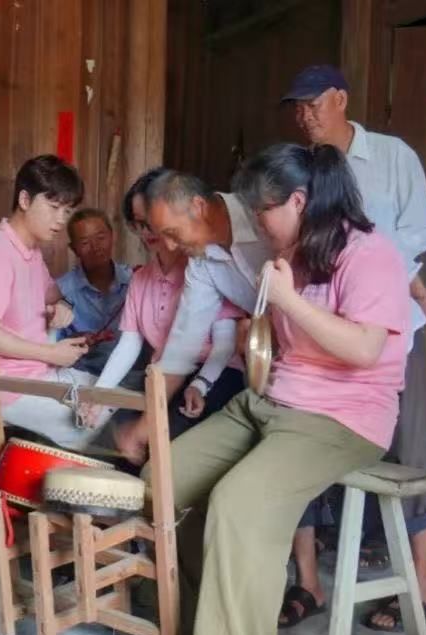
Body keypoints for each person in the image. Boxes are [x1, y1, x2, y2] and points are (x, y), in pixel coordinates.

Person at [167, 143, 410, 635]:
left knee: (240, 501)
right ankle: (209, 628)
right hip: (273, 401)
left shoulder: (369, 254)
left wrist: (286, 300)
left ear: (299, 201)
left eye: (263, 212)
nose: (257, 224)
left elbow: (364, 348)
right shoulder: (291, 253)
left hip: (343, 416)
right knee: (166, 480)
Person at [278, 64, 426, 632]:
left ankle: (421, 583)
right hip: (324, 332)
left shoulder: (393, 157)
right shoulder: (301, 168)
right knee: (302, 430)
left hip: (392, 327)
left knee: (411, 446)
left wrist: (365, 258)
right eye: (297, 108)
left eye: (313, 104)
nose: (304, 116)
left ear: (341, 99)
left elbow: (421, 231)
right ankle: (309, 580)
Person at [111, 169, 274, 461]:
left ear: (198, 207)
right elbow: (182, 347)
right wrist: (141, 431)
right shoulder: (199, 263)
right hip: (270, 369)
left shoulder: (264, 216)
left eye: (172, 233)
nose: (170, 246)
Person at [0, 154, 108, 451]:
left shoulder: (31, 253)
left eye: (67, 210)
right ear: (25, 200)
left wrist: (63, 307)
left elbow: (52, 296)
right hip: (5, 387)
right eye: (53, 207)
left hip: (39, 376)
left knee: (113, 394)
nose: (61, 220)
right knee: (103, 420)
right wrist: (51, 352)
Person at [87, 170, 245, 440]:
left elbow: (224, 344)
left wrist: (200, 384)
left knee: (162, 437)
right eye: (138, 224)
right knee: (113, 431)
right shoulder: (140, 279)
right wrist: (99, 394)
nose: (146, 231)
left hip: (212, 374)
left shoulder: (205, 266)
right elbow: (129, 344)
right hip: (163, 376)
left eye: (151, 222)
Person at [54, 208, 134, 376]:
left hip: (131, 373)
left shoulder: (135, 281)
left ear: (112, 236)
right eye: (85, 243)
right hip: (81, 376)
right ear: (73, 249)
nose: (96, 247)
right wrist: (74, 341)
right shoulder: (60, 290)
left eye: (101, 238)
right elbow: (51, 344)